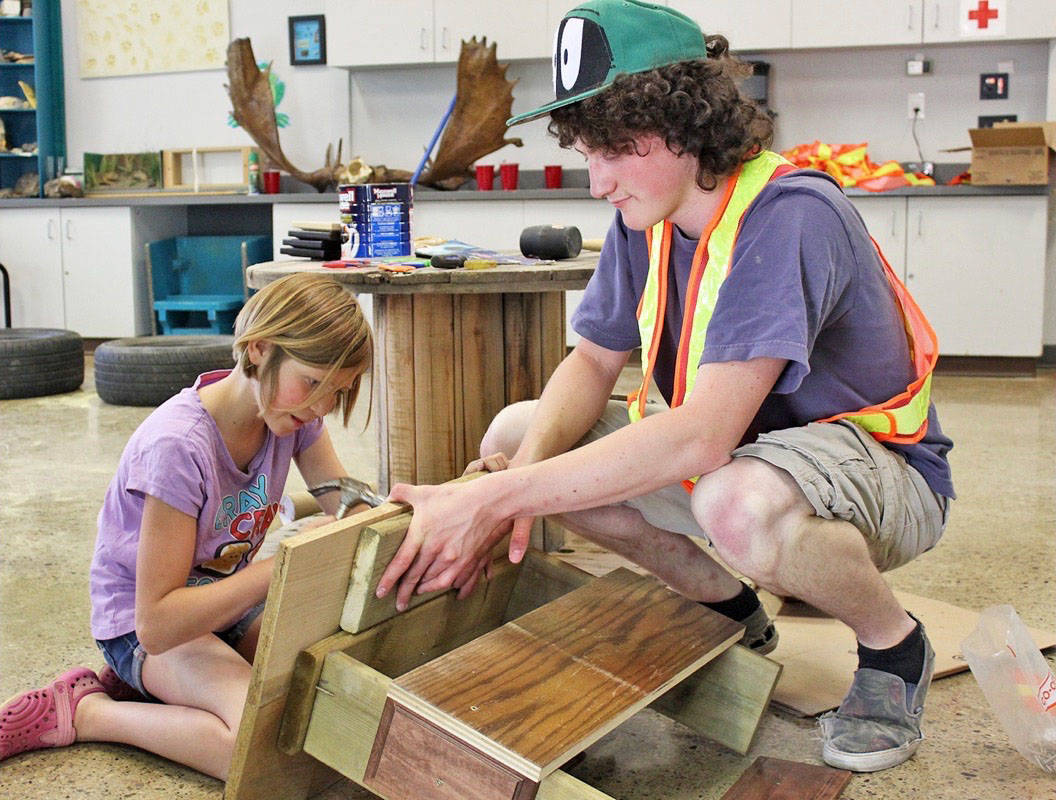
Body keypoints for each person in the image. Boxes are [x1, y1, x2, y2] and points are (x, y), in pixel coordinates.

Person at [375, 0, 954, 774]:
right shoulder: (644, 217)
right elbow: (589, 364)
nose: (599, 182)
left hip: (881, 477)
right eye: (588, 150)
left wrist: (492, 502)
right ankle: (730, 608)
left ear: (690, 120)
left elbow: (701, 437)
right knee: (518, 435)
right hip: (749, 462)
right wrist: (515, 476)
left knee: (735, 504)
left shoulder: (791, 215)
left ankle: (894, 648)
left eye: (618, 148)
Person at [0, 272, 373, 780]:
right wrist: (278, 568)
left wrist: (410, 506)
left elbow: (345, 501)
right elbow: (157, 623)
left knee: (332, 703)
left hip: (220, 605)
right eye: (313, 383)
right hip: (144, 626)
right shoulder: (178, 446)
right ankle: (88, 712)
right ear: (260, 348)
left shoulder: (295, 416)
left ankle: (163, 688)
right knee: (258, 750)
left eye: (339, 391)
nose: (323, 406)